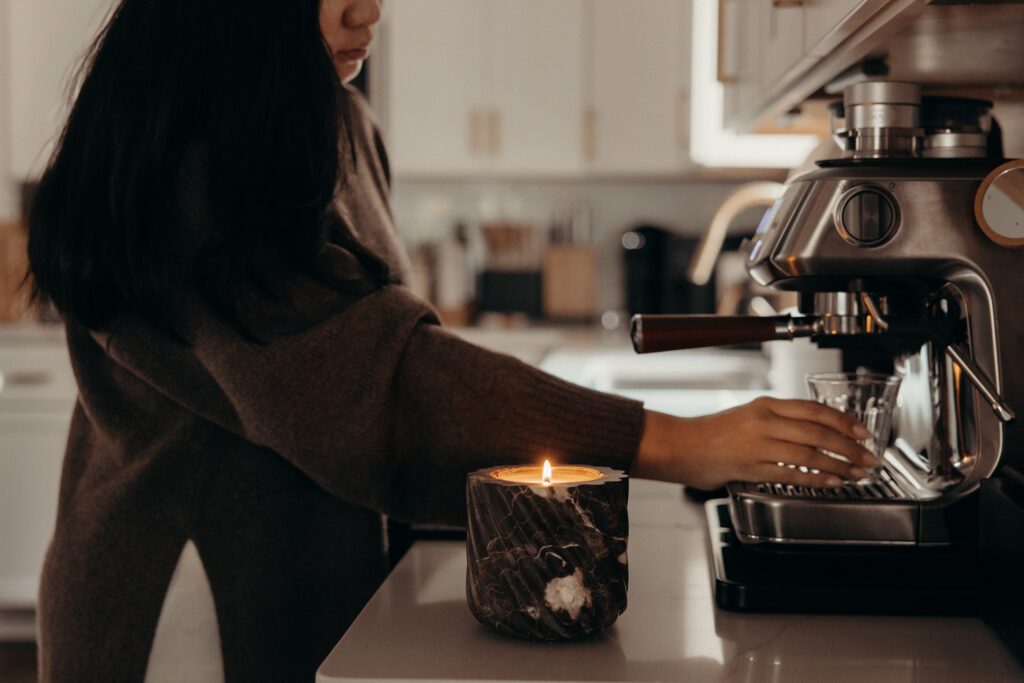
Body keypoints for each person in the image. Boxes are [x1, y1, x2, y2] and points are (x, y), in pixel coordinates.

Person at [25, 0, 878, 680]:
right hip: (190, 595)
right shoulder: (193, 155)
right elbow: (374, 379)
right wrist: (675, 442)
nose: (369, 11)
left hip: (299, 578)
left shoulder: (336, 120)